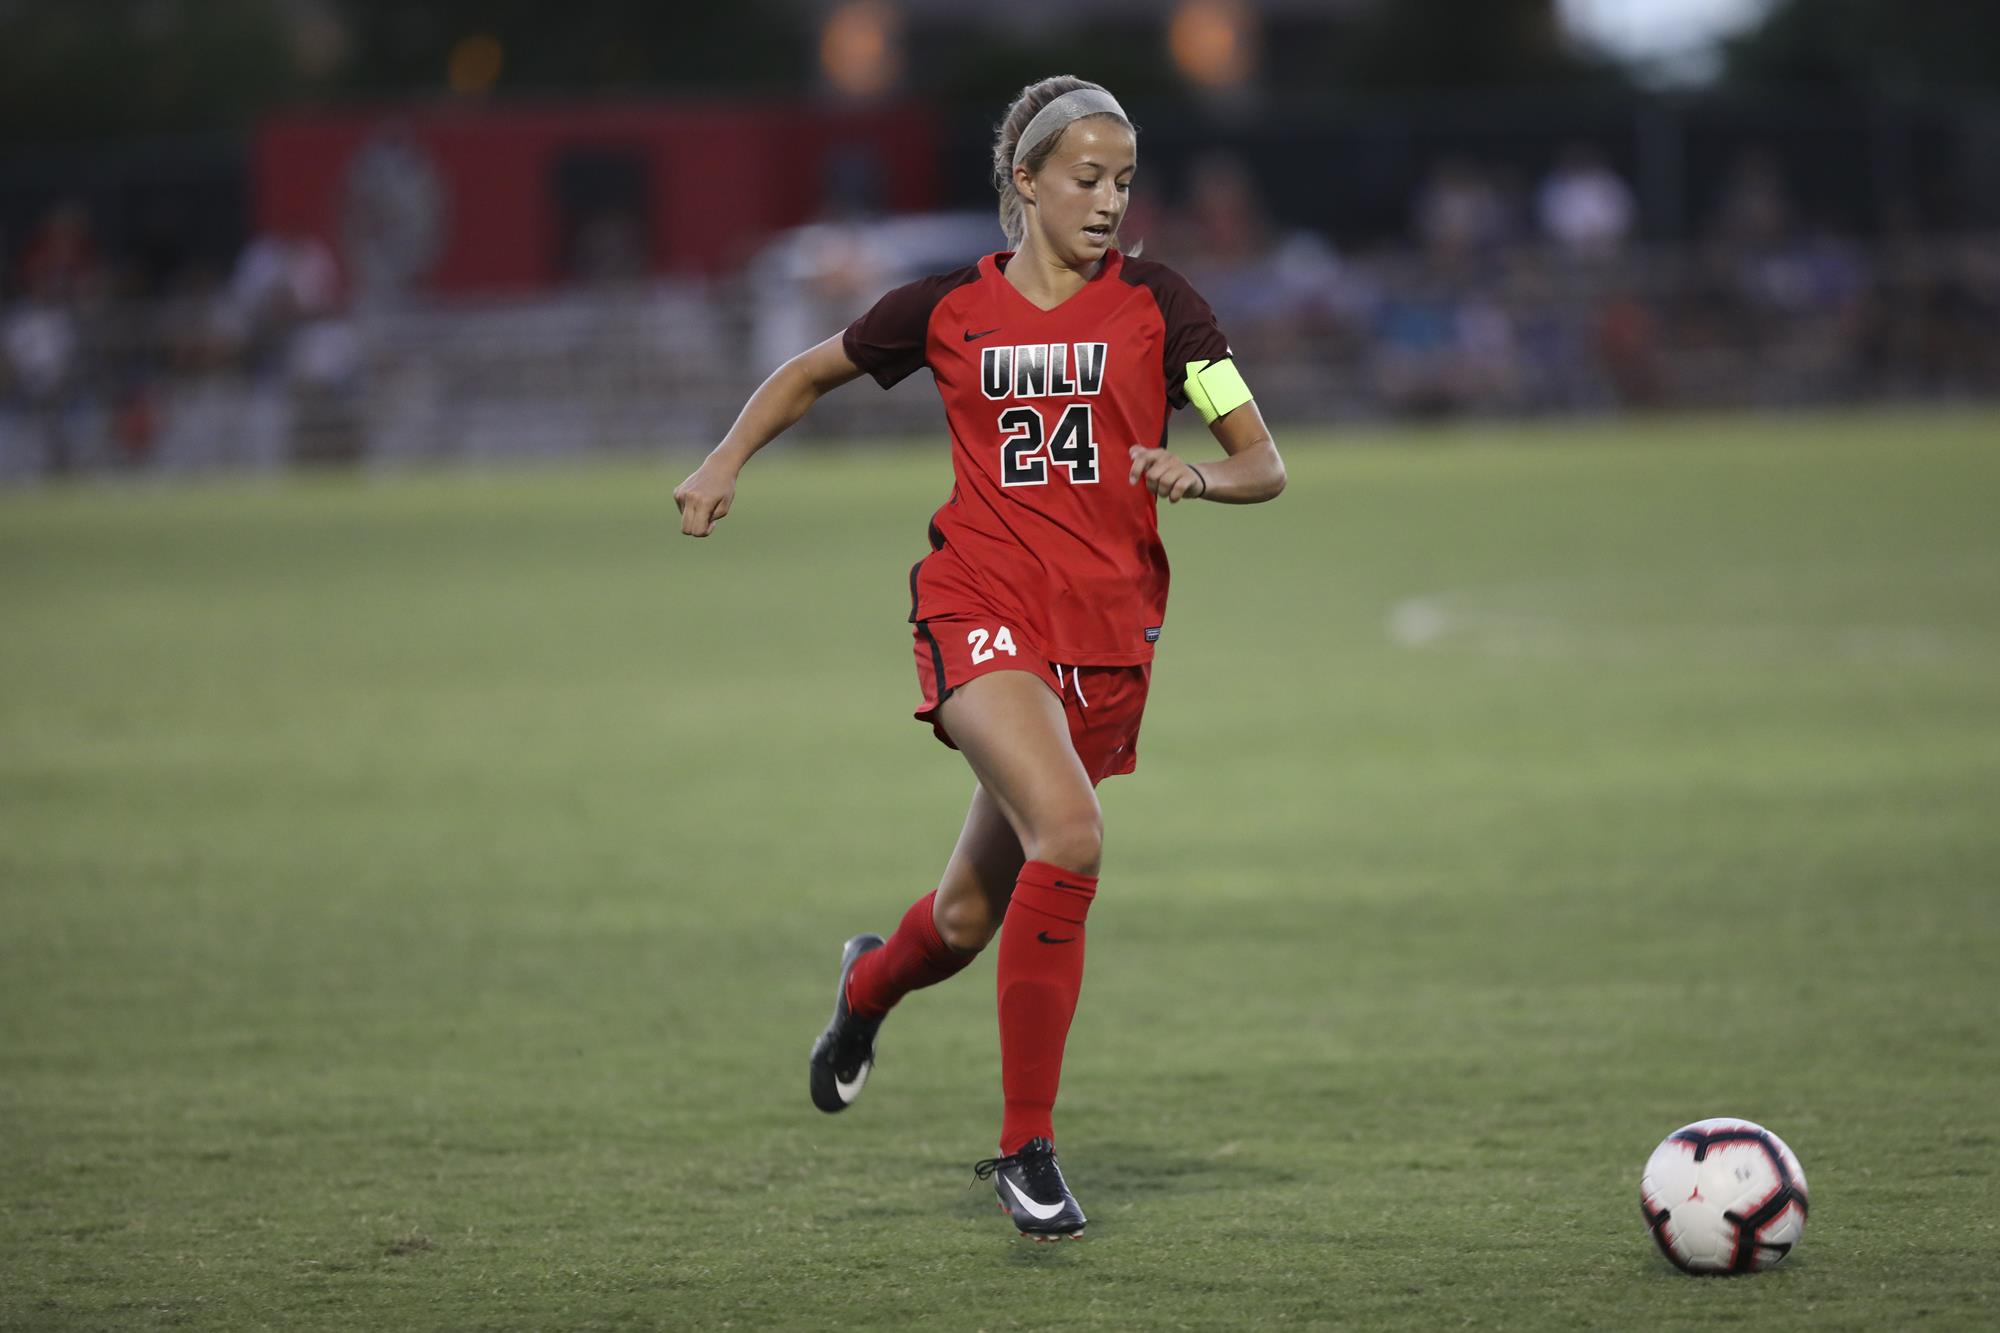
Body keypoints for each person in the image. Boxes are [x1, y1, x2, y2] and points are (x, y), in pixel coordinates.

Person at [673, 75, 1286, 1241]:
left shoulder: (1167, 308)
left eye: (1121, 179)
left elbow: (1262, 459)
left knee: (961, 921)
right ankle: (1025, 1150)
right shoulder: (949, 305)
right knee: (1071, 835)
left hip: (1105, 643)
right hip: (980, 607)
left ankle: (862, 990)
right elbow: (806, 371)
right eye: (1085, 178)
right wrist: (721, 462)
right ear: (1026, 182)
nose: (1108, 200)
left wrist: (1194, 472)